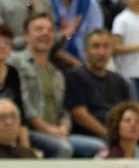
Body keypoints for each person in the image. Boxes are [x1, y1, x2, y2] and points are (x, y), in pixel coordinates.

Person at [9, 14, 107, 158]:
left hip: (56, 132)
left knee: (101, 148)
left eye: (50, 30)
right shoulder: (15, 62)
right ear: (26, 35)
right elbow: (24, 106)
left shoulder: (57, 72)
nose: (45, 33)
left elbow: (64, 110)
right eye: (39, 29)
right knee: (63, 148)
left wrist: (64, 127)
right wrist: (48, 130)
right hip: (29, 132)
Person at [64, 29, 131, 141]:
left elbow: (128, 113)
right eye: (96, 46)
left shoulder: (119, 80)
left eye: (106, 47)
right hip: (88, 136)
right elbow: (80, 116)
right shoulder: (75, 76)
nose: (101, 52)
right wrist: (108, 136)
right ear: (85, 51)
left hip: (118, 136)